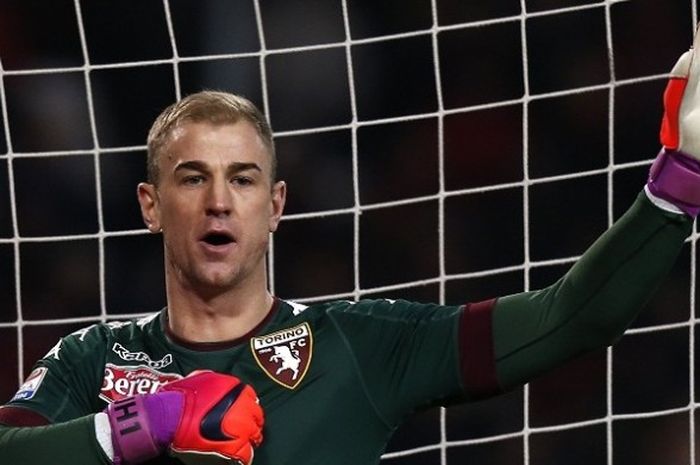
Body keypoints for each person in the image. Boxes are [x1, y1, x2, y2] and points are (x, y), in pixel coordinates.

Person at [1, 34, 700, 465]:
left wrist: (677, 185)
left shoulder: (358, 345)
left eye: (242, 179)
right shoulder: (95, 358)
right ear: (150, 207)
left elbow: (568, 319)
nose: (219, 200)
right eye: (193, 178)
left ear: (275, 206)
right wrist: (146, 423)